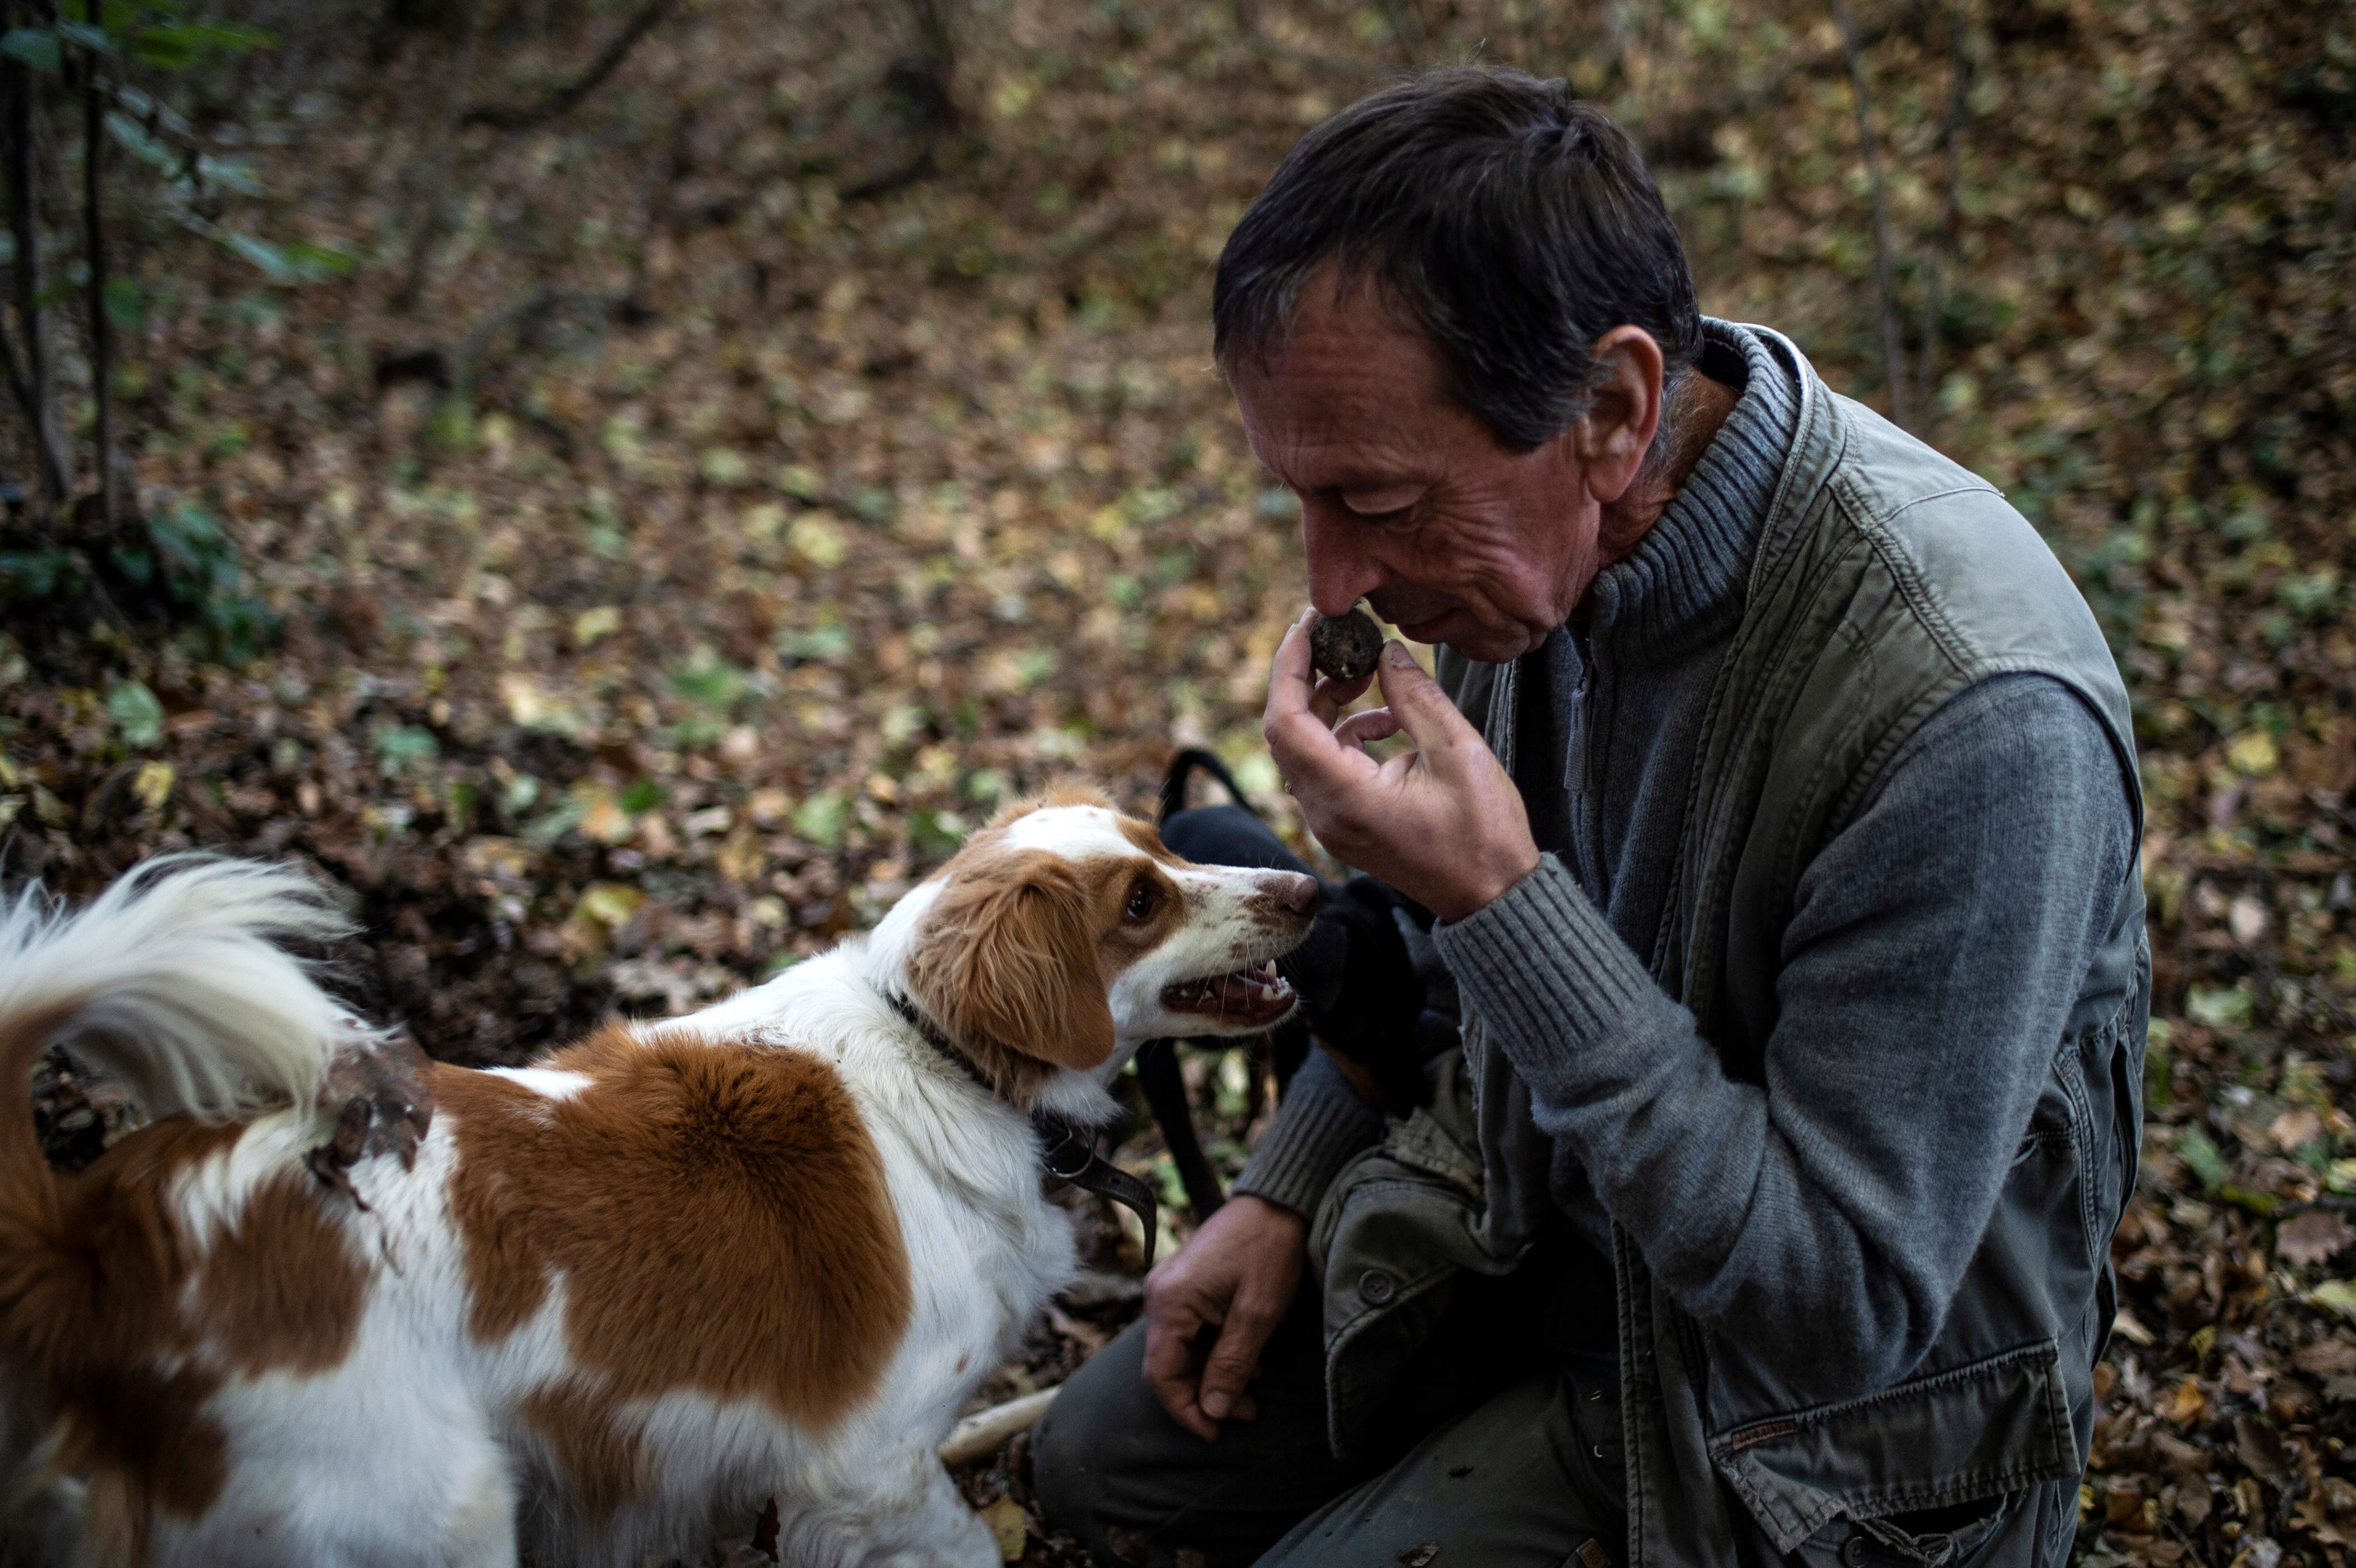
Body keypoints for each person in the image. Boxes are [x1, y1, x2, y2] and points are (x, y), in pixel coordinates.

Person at [1033, 65, 2146, 1568]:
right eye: (1296, 499)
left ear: (1613, 409)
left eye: (1371, 498)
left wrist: (1509, 908)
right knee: (1089, 1469)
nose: (1331, 585)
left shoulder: (1968, 708)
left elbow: (1845, 1309)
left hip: (1807, 1441)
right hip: (1538, 1240)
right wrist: (1287, 1187)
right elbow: (1437, 977)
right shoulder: (1537, 565)